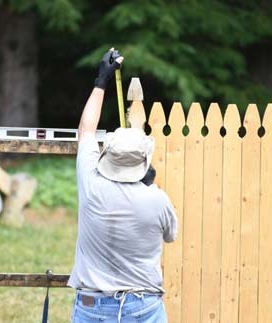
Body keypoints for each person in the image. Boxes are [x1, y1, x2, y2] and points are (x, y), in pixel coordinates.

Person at [68, 48, 178, 323]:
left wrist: (101, 82)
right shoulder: (158, 200)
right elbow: (170, 236)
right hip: (142, 306)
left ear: (108, 158)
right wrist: (148, 187)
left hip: (92, 305)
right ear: (143, 165)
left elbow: (86, 131)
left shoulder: (91, 184)